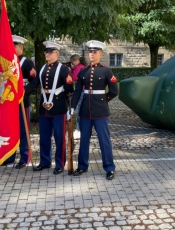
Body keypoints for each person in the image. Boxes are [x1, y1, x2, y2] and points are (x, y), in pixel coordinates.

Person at [68, 40, 118, 180]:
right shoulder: (83, 70)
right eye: (90, 52)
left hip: (101, 111)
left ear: (100, 54)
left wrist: (103, 99)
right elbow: (77, 91)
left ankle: (109, 168)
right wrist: (72, 107)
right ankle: (82, 166)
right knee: (84, 140)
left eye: (95, 52)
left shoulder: (106, 71)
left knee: (104, 140)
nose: (92, 54)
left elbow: (114, 91)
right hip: (85, 110)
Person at [25, 41, 74, 175]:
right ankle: (45, 161)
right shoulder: (41, 68)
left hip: (58, 107)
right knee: (44, 136)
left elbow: (69, 89)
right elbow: (34, 84)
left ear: (57, 54)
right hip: (44, 108)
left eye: (50, 52)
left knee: (59, 137)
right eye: (46, 52)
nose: (47, 54)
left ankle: (59, 163)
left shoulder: (64, 69)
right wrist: (21, 92)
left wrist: (70, 107)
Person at [9, 35, 37, 169]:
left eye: (15, 46)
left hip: (22, 102)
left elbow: (34, 83)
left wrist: (24, 92)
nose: (12, 49)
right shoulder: (8, 61)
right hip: (9, 101)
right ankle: (10, 155)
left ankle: (24, 157)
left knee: (23, 131)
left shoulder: (27, 63)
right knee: (10, 129)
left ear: (21, 47)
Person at [69, 54, 87, 139]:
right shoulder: (80, 67)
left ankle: (78, 129)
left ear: (76, 61)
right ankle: (80, 128)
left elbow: (75, 78)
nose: (72, 64)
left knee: (79, 108)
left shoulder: (80, 67)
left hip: (81, 90)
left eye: (72, 62)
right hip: (81, 90)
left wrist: (70, 71)